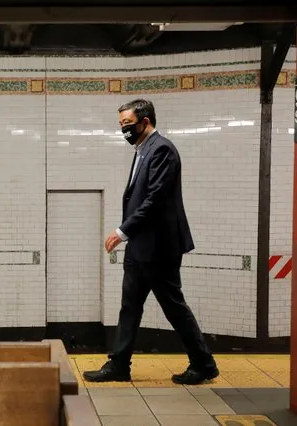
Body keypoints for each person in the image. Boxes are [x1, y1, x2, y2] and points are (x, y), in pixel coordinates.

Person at [83, 99, 219, 385]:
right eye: (121, 125)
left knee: (172, 306)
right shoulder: (142, 151)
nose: (124, 130)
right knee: (129, 306)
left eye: (127, 124)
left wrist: (122, 231)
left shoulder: (162, 150)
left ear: (145, 122)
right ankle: (119, 364)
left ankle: (204, 363)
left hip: (159, 247)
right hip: (140, 247)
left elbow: (154, 200)